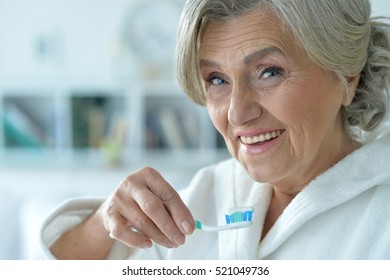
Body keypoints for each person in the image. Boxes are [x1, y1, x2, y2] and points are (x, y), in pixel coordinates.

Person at [39, 0, 390, 260]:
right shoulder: (204, 198)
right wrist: (106, 217)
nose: (237, 113)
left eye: (269, 72)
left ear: (347, 75)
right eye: (217, 79)